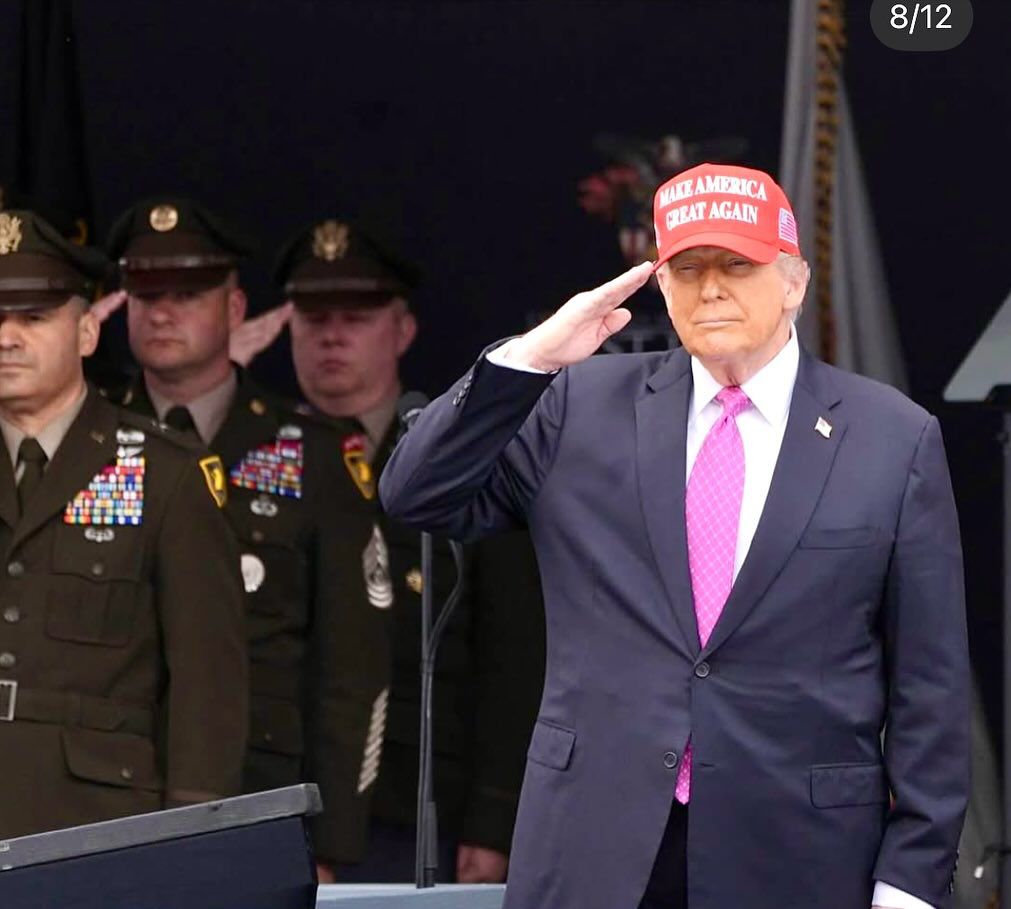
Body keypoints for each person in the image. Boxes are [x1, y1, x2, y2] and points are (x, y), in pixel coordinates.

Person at [378, 163, 970, 909]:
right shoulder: (575, 404)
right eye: (687, 269)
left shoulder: (891, 437)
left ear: (794, 281)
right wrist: (531, 357)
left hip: (799, 856)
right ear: (659, 284)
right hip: (595, 847)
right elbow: (416, 493)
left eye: (737, 265)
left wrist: (910, 882)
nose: (710, 289)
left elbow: (929, 684)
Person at [102, 198, 392, 879]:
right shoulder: (89, 440)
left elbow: (351, 669)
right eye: (145, 295)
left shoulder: (316, 453)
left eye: (186, 295)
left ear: (234, 309)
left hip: (262, 789)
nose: (162, 313)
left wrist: (331, 840)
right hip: (108, 787)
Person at [270, 219, 546, 883]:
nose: (332, 335)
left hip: (421, 800)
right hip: (282, 791)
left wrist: (494, 815)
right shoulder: (256, 461)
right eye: (314, 318)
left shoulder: (459, 455)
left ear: (403, 330)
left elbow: (511, 653)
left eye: (357, 317)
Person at [0, 209, 247, 837]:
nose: (7, 338)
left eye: (33, 318)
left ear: (87, 332)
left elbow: (207, 682)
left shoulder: (167, 473)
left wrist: (192, 836)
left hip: (95, 825)